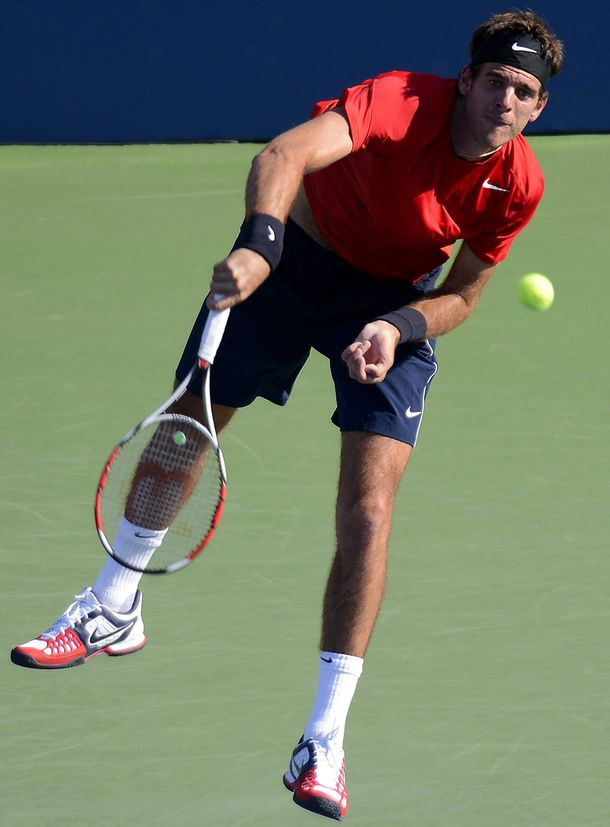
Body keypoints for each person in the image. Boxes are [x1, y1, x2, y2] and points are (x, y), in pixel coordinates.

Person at [12, 9, 563, 821]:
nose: (505, 101)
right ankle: (111, 603)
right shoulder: (402, 102)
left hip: (389, 303)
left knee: (369, 512)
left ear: (539, 108)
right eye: (495, 82)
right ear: (468, 78)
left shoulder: (516, 184)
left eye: (524, 92)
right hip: (293, 258)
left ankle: (323, 739)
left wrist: (395, 327)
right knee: (190, 420)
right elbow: (286, 153)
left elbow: (461, 298)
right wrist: (259, 244)